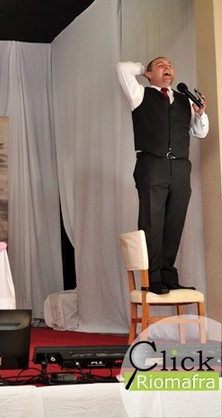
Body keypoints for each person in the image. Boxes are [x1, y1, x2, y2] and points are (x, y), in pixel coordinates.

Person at [116, 57, 209, 295]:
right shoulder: (140, 94)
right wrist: (143, 69)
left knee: (174, 222)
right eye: (160, 65)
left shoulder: (185, 100)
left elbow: (200, 133)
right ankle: (152, 278)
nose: (167, 67)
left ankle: (168, 276)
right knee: (151, 222)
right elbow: (122, 68)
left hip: (180, 167)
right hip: (152, 164)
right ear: (149, 74)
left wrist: (200, 114)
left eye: (170, 65)